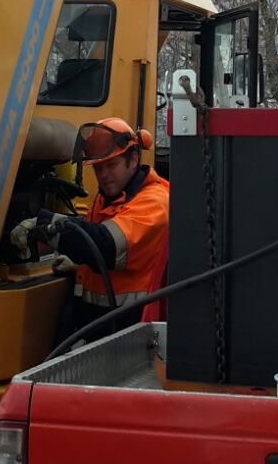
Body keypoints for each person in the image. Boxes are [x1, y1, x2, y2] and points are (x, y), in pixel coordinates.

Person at [12, 118, 170, 339]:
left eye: (111, 165)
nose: (104, 175)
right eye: (98, 167)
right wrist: (79, 267)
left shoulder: (155, 202)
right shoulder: (108, 198)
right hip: (102, 327)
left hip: (132, 331)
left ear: (133, 160)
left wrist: (44, 223)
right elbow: (94, 248)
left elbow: (106, 246)